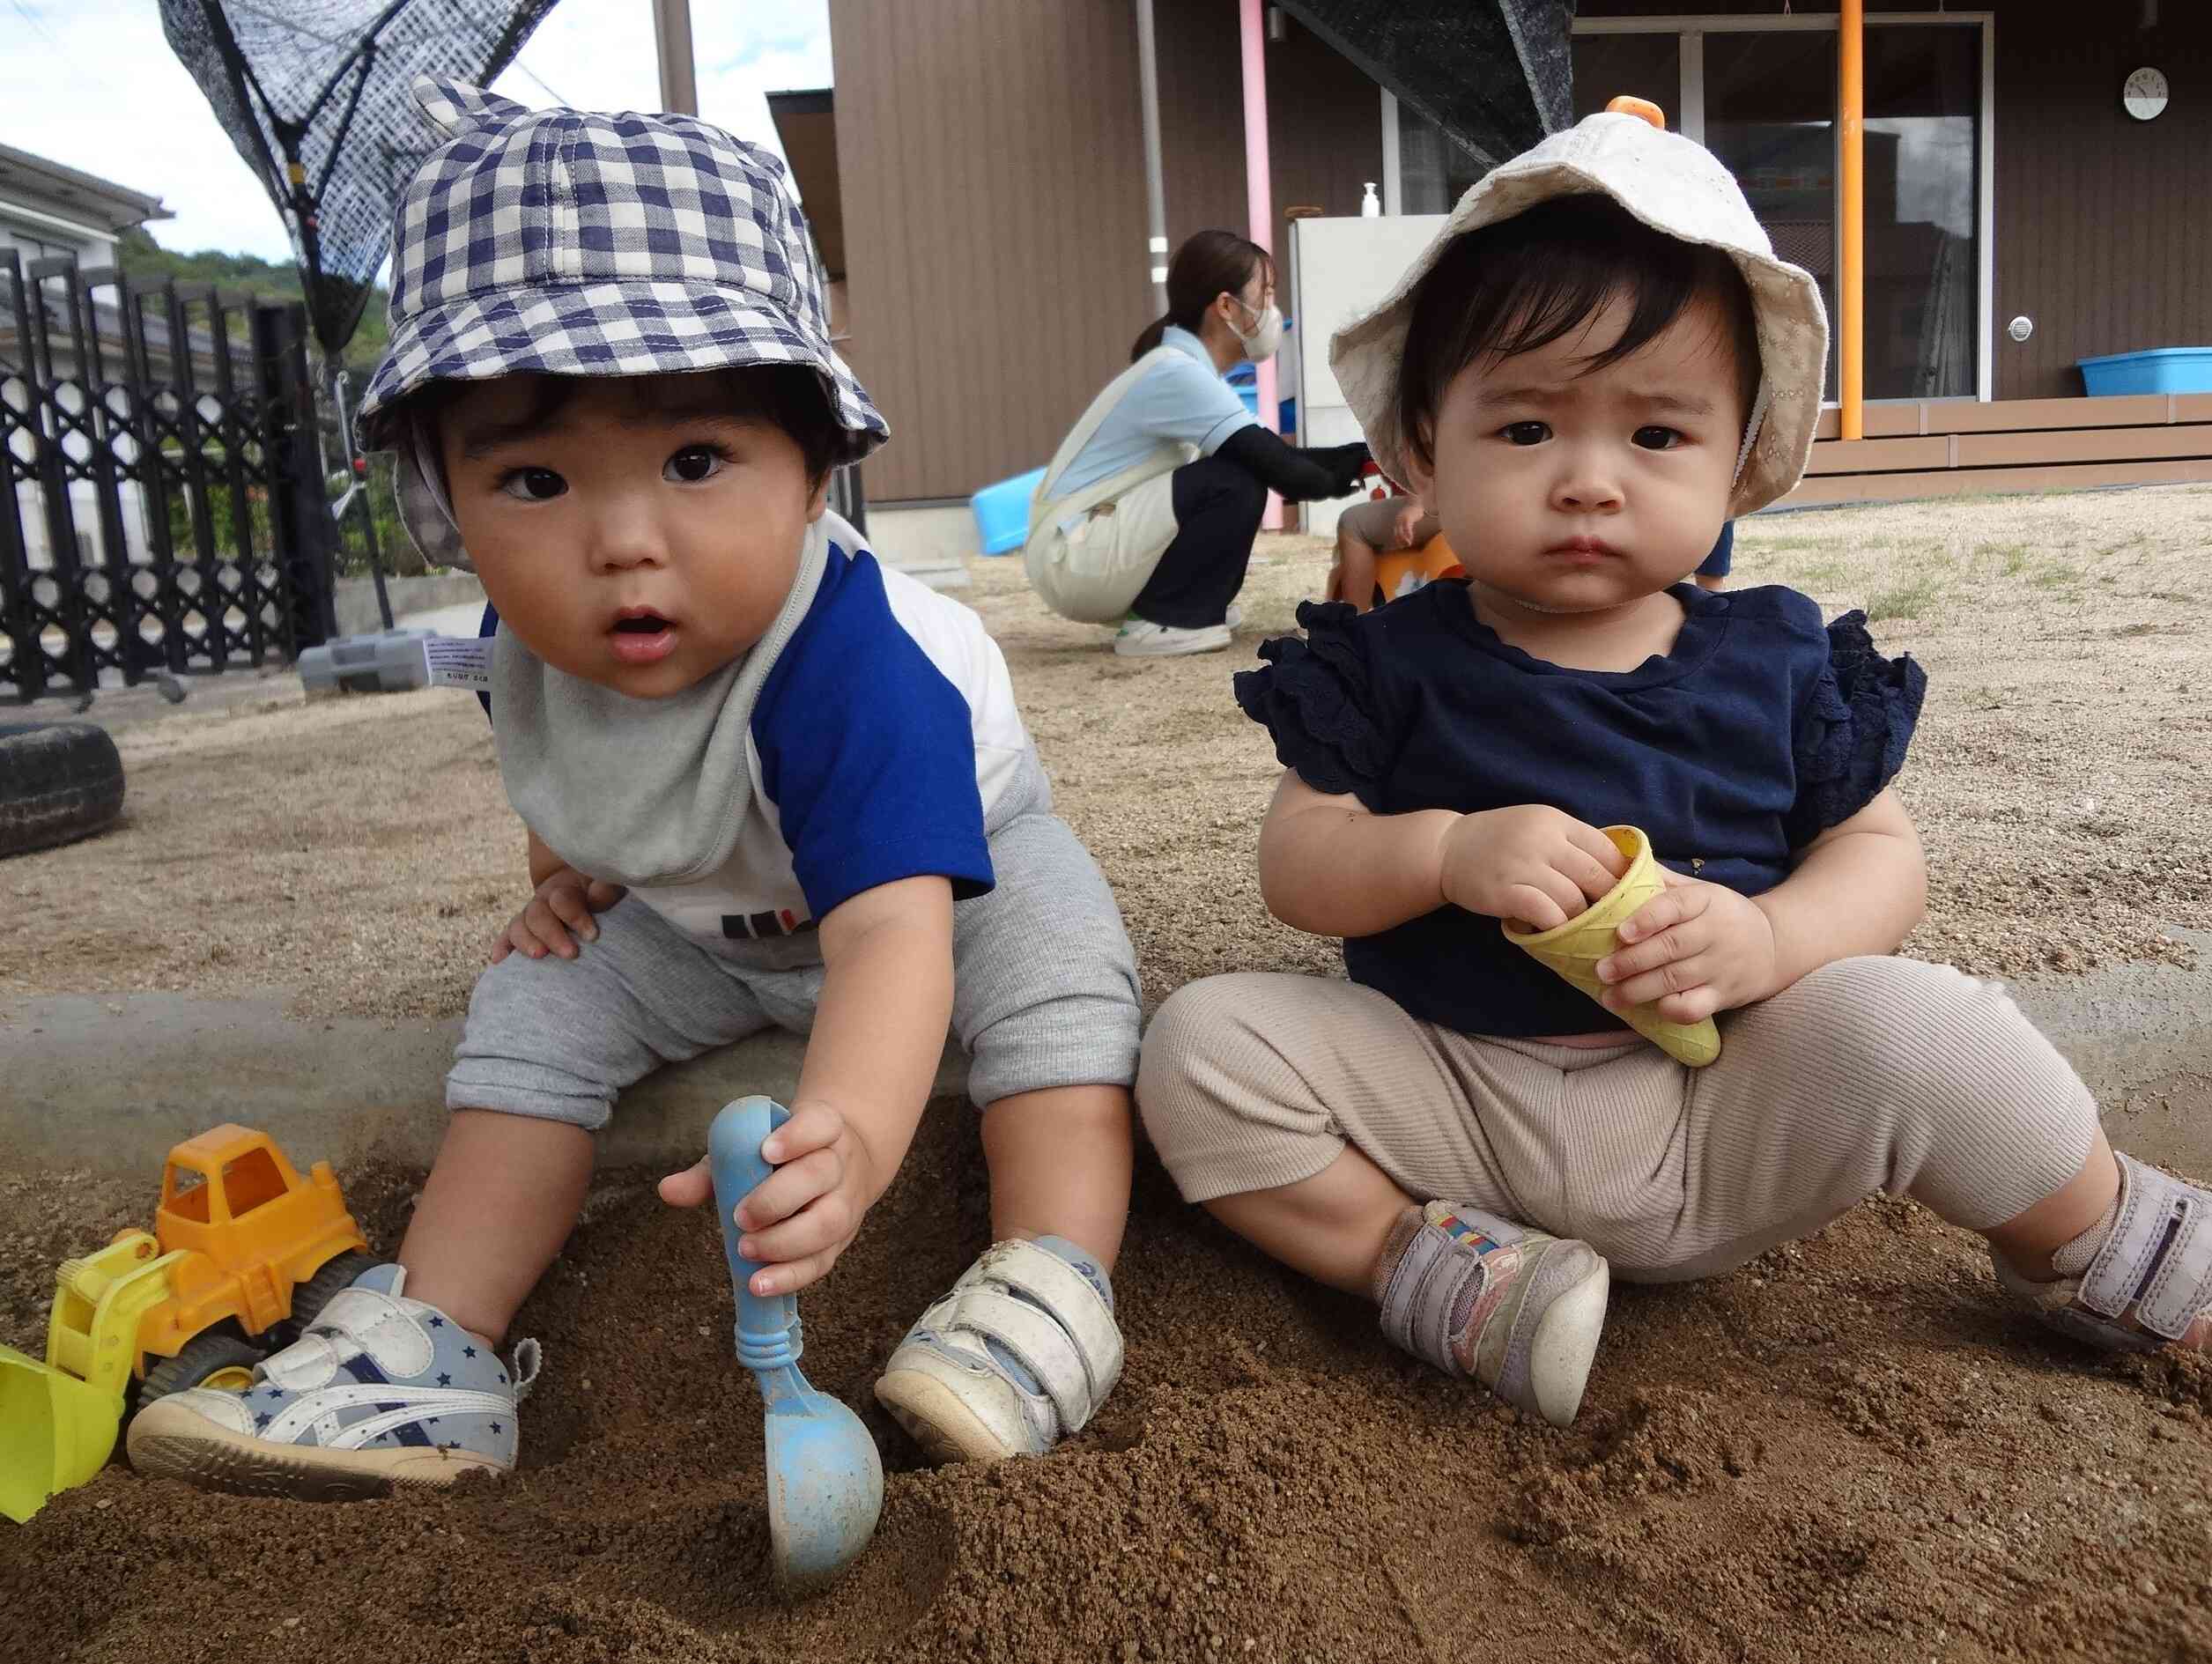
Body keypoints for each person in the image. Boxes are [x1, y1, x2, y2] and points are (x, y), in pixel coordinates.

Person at [128, 76, 1142, 1498]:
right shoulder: (526, 645)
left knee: (1064, 986)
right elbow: (566, 767)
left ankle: (1046, 1282)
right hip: (701, 914)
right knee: (534, 998)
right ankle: (438, 1343)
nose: (620, 542)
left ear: (810, 471)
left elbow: (892, 945)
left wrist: (844, 1138)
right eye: (535, 479)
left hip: (940, 875)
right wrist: (568, 874)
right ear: (447, 503)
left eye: (693, 458)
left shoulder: (852, 670)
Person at [1136, 109, 2208, 1431]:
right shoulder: (1383, 661)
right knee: (1201, 1046)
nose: (1587, 482)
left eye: (1653, 436)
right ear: (1423, 444)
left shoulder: (1775, 655)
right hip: (1453, 1095)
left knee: (1925, 1023)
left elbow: (1879, 857)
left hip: (1725, 1102)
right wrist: (1443, 854)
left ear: (1737, 454)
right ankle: (1431, 1267)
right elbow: (1297, 865)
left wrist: (1768, 936)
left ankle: (2089, 1235)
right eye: (1525, 430)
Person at [1025, 229, 1370, 658]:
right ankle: (1169, 619)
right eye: (1264, 294)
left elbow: (1284, 461)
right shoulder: (1176, 373)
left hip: (1081, 548)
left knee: (1237, 471)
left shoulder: (1183, 368)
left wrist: (1368, 458)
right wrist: (1371, 460)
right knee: (1234, 479)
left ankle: (1182, 606)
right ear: (1226, 305)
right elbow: (1290, 474)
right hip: (1070, 558)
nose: (1270, 310)